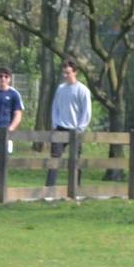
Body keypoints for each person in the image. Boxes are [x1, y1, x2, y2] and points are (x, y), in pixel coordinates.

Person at [46, 60, 92, 196]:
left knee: (75, 161)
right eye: (64, 72)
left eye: (68, 72)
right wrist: (55, 124)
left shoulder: (82, 90)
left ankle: (76, 190)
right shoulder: (60, 89)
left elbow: (86, 111)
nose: (65, 75)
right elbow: (55, 107)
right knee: (54, 159)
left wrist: (80, 128)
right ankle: (49, 190)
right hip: (60, 128)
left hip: (75, 130)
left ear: (75, 72)